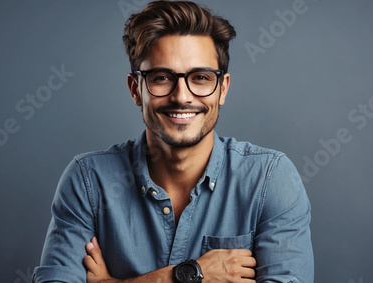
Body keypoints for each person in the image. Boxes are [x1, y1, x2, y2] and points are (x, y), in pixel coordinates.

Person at [32, 1, 314, 282]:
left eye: (201, 77)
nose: (182, 96)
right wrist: (182, 276)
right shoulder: (88, 181)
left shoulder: (270, 179)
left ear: (222, 89)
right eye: (162, 77)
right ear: (135, 90)